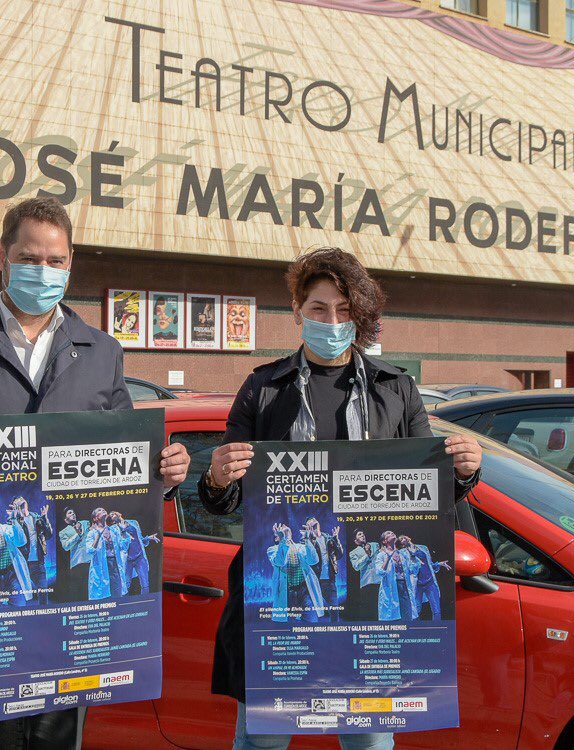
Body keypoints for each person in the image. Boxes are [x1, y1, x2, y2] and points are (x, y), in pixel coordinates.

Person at [0, 196, 190, 750]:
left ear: (71, 263)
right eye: (30, 258)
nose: (43, 272)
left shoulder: (101, 351)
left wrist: (163, 471)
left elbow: (125, 459)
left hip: (67, 607)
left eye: (56, 261)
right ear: (1, 256)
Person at [198, 247, 483, 750]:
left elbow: (431, 496)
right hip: (281, 607)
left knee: (369, 743)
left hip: (367, 603)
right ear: (296, 312)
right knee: (263, 741)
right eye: (319, 309)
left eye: (345, 311)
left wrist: (464, 471)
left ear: (361, 317)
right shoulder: (263, 389)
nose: (332, 321)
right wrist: (218, 477)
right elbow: (224, 499)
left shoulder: (398, 390)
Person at [267, 522, 324, 623]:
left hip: (304, 590)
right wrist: (283, 539)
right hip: (288, 592)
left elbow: (314, 561)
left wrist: (307, 539)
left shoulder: (300, 547)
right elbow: (280, 562)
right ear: (276, 538)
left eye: (285, 529)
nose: (284, 530)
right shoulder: (272, 550)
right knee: (291, 624)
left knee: (311, 620)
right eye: (281, 531)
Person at [397, 535, 451, 621]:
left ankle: (436, 630)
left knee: (436, 610)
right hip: (417, 585)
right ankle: (413, 631)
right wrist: (413, 555)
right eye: (401, 539)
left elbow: (429, 564)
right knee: (416, 610)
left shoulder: (423, 547)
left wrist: (438, 564)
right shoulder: (402, 552)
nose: (404, 538)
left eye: (404, 537)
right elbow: (408, 569)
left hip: (430, 583)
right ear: (402, 544)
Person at [108, 511, 160, 595]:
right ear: (113, 521)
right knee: (125, 584)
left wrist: (148, 538)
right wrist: (122, 530)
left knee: (145, 583)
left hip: (140, 557)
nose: (113, 515)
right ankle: (125, 605)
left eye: (113, 513)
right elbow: (119, 545)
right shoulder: (113, 529)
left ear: (119, 513)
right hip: (127, 560)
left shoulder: (133, 522)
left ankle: (144, 602)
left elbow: (140, 540)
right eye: (111, 516)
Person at [12, 497, 52, 605]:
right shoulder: (13, 520)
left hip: (38, 563)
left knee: (43, 593)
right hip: (22, 564)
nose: (20, 500)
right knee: (24, 598)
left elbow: (49, 535)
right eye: (17, 500)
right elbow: (17, 539)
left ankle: (45, 619)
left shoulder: (36, 517)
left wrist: (45, 519)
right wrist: (17, 517)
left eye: (21, 499)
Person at [85, 507, 129, 599]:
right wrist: (98, 535)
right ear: (95, 518)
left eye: (103, 509)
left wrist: (123, 531)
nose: (103, 510)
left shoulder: (113, 530)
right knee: (103, 596)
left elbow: (123, 546)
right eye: (99, 510)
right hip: (101, 566)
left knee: (117, 594)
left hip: (115, 565)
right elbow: (90, 550)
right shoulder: (92, 533)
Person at [305, 518, 343, 622]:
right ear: (308, 526)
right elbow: (309, 558)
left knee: (334, 609)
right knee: (314, 612)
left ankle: (335, 633)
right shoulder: (306, 540)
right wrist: (309, 538)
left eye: (315, 521)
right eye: (310, 523)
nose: (313, 523)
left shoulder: (328, 538)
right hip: (314, 581)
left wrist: (336, 539)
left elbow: (339, 555)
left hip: (329, 580)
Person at [375, 531, 418, 622]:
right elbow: (380, 572)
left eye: (392, 532)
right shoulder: (381, 555)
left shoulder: (402, 554)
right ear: (384, 541)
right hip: (391, 588)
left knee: (407, 616)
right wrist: (388, 557)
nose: (392, 533)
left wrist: (413, 555)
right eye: (388, 533)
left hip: (405, 587)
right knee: (394, 618)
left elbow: (413, 570)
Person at [57, 508, 90, 602]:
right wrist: (77, 535)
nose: (73, 514)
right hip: (77, 563)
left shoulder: (85, 523)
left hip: (90, 560)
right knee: (79, 594)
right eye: (69, 513)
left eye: (73, 512)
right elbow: (66, 547)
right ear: (65, 519)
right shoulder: (63, 532)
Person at [348, 529, 380, 621]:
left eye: (363, 533)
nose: (363, 535)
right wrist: (367, 555)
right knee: (369, 610)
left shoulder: (374, 545)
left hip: (379, 581)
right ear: (355, 540)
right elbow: (356, 567)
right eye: (359, 534)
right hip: (366, 583)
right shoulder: (353, 552)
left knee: (380, 608)